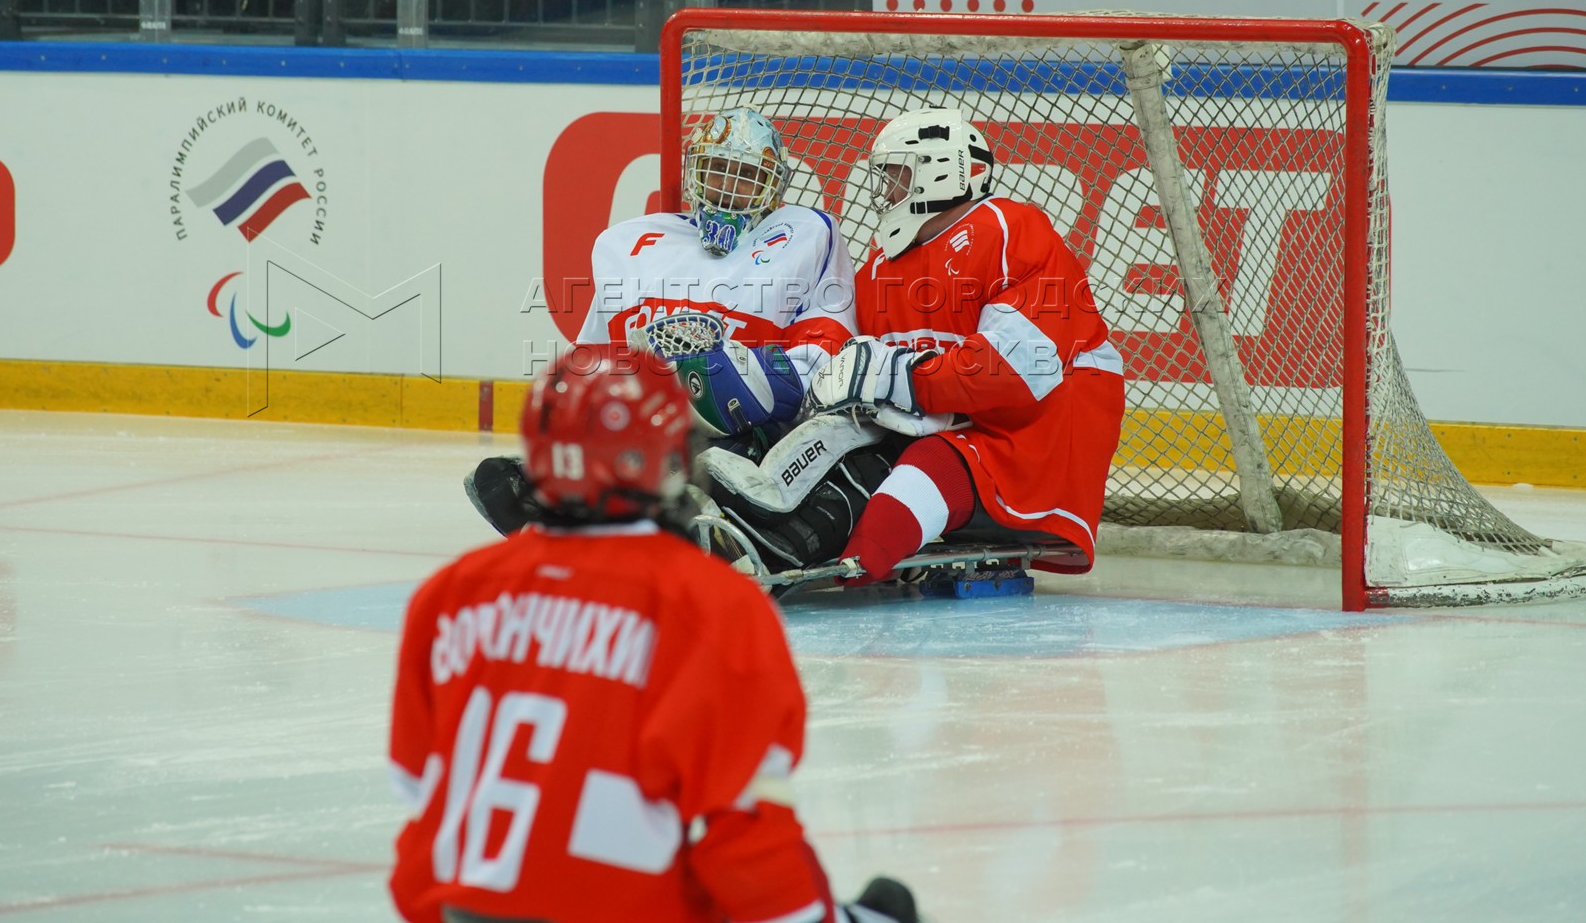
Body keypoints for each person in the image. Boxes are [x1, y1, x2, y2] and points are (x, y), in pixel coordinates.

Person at [389, 343, 920, 923]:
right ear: (669, 458)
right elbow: (748, 845)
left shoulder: (449, 595)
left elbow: (418, 783)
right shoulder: (713, 608)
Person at [708, 106, 1126, 584]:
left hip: (1038, 427)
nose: (884, 192)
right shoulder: (881, 267)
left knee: (923, 469)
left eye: (896, 176)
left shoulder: (1009, 231)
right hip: (954, 418)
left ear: (941, 173)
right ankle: (743, 524)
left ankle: (841, 567)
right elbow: (846, 361)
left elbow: (1012, 371)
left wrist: (895, 376)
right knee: (839, 441)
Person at [468, 107, 878, 570]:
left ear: (774, 186)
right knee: (499, 480)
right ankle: (630, 525)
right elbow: (593, 362)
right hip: (648, 434)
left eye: (746, 175)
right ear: (694, 173)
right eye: (716, 170)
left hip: (746, 434)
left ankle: (628, 528)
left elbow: (823, 356)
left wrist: (742, 380)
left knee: (716, 467)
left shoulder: (806, 235)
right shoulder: (631, 244)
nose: (728, 187)